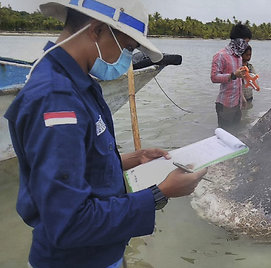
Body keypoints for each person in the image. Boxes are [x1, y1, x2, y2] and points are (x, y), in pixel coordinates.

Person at [4, 1, 207, 267]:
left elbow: (75, 166)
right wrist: (160, 193)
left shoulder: (78, 83)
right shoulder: (56, 100)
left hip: (99, 253)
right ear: (97, 30)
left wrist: (133, 158)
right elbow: (68, 222)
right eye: (127, 48)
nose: (126, 59)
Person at [211, 23, 252, 130]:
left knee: (235, 133)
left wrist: (242, 97)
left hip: (237, 104)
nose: (246, 46)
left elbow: (238, 81)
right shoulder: (220, 55)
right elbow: (214, 77)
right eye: (245, 42)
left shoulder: (238, 56)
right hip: (225, 106)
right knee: (224, 136)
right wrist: (233, 75)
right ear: (238, 40)